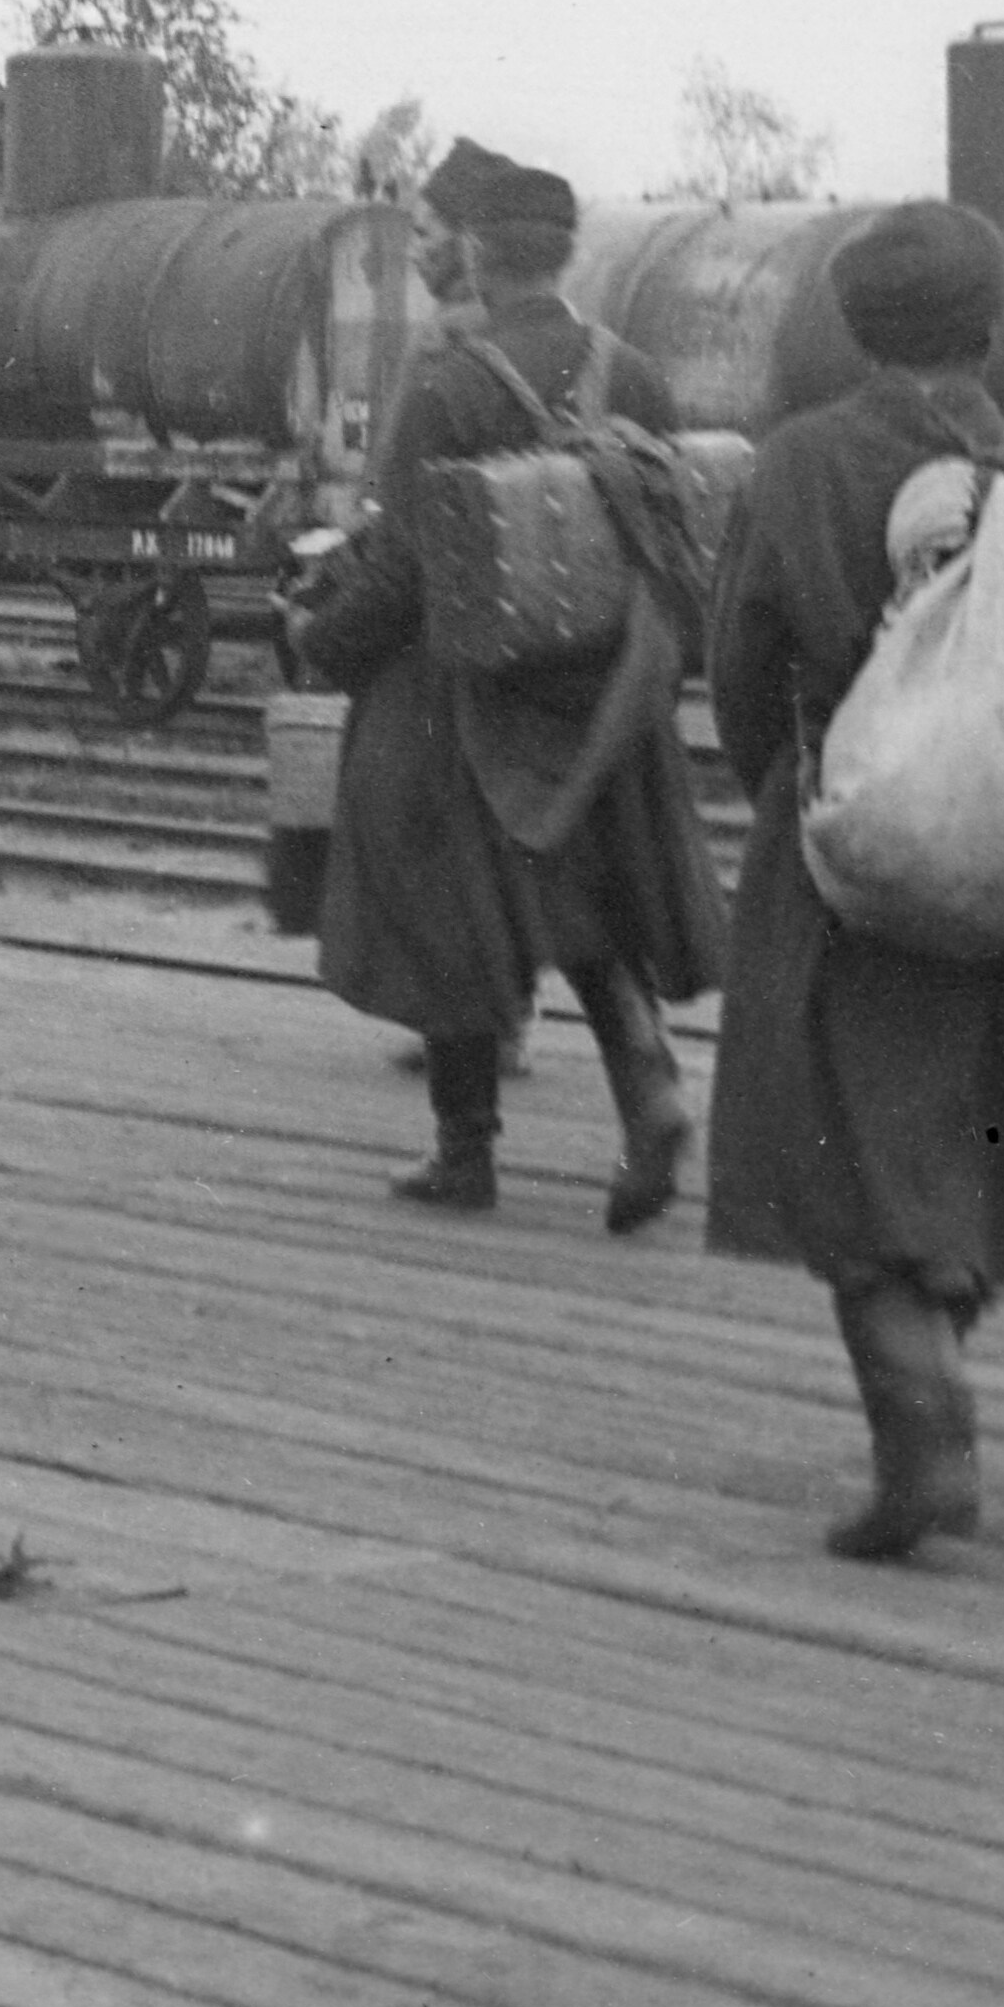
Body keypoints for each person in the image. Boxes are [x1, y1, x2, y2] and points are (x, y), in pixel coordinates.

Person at [705, 198, 1004, 1558]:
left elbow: (738, 679)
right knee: (966, 1136)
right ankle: (935, 1343)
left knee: (834, 1153)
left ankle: (919, 1428)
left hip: (841, 853)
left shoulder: (797, 466)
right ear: (991, 326)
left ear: (855, 326)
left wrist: (807, 783)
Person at [296, 148, 719, 1222]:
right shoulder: (635, 373)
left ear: (479, 253)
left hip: (466, 697)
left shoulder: (448, 385)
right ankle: (648, 1082)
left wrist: (324, 637)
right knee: (586, 904)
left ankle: (464, 1152)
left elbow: (401, 566)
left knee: (446, 910)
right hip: (600, 690)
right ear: (564, 252)